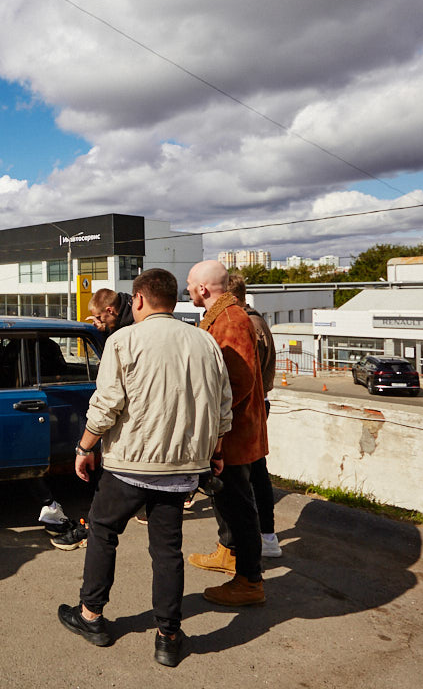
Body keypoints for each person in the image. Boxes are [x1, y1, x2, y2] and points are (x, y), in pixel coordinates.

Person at [56, 268, 231, 668]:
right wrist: (216, 450)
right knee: (166, 549)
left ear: (137, 300)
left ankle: (91, 616)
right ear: (173, 301)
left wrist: (85, 446)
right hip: (182, 469)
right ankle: (168, 637)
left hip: (129, 466)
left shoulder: (123, 341)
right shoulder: (205, 343)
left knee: (102, 531)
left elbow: (106, 404)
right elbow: (223, 407)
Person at [185, 260, 270, 606]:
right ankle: (231, 557)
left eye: (190, 284)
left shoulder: (231, 319)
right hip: (231, 432)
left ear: (203, 289)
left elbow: (238, 381)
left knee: (239, 505)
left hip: (233, 435)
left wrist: (211, 425)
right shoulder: (223, 315)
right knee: (230, 501)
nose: (188, 289)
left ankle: (249, 581)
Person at [49, 287, 139, 549]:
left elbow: (110, 397)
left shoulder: (126, 333)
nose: (98, 324)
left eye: (100, 318)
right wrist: (102, 325)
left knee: (108, 481)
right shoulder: (125, 317)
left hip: (127, 421)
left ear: (111, 311)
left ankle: (91, 530)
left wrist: (84, 445)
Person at [228, 272, 283, 558]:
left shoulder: (247, 324)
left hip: (251, 406)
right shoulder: (257, 321)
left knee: (251, 475)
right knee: (256, 473)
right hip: (259, 403)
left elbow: (245, 375)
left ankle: (259, 538)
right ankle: (265, 535)